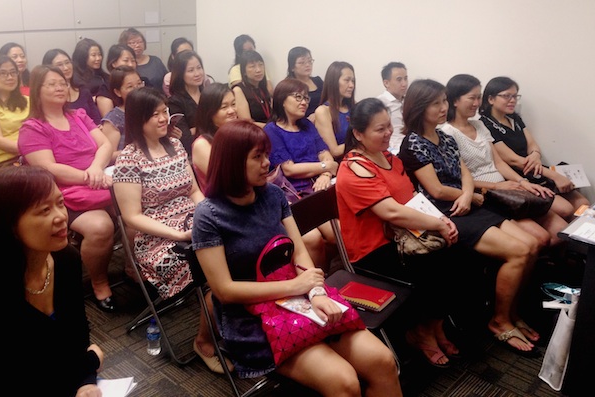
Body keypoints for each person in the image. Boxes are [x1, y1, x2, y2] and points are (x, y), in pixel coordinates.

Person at [191, 119, 402, 396]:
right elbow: (224, 291)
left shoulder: (273, 195)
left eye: (266, 154)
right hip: (254, 318)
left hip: (299, 299)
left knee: (383, 361)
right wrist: (296, 287)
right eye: (257, 157)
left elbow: (298, 249)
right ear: (231, 162)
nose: (268, 163)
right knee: (344, 382)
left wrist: (315, 292)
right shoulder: (209, 215)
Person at [397, 79, 542, 353]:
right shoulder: (412, 143)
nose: (443, 107)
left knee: (533, 245)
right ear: (419, 108)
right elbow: (436, 189)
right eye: (436, 103)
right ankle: (499, 321)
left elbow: (465, 173)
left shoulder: (445, 137)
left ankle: (510, 312)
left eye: (443, 101)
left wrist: (467, 194)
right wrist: (465, 196)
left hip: (467, 204)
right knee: (520, 251)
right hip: (446, 213)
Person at [0, 166, 104, 396]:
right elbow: (2, 382)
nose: (61, 217)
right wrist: (91, 361)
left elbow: (77, 334)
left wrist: (86, 380)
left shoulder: (66, 259)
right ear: (10, 225)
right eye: (44, 210)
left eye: (60, 203)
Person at [112, 86, 230, 374]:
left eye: (165, 111)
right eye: (156, 115)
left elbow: (193, 191)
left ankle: (233, 325)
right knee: (216, 274)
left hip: (192, 223)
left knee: (237, 250)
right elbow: (132, 217)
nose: (164, 118)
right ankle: (204, 341)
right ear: (138, 119)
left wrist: (209, 217)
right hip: (155, 240)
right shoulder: (128, 160)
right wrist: (177, 234)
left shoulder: (176, 146)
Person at [336, 97, 461, 367]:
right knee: (434, 266)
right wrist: (438, 224)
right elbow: (391, 211)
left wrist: (440, 218)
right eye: (379, 129)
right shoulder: (353, 169)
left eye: (388, 126)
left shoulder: (390, 158)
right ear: (358, 133)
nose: (388, 133)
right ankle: (421, 333)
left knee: (457, 254)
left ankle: (435, 326)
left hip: (404, 236)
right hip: (373, 250)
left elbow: (413, 199)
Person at [18, 65, 117, 313]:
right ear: (37, 90)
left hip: (98, 179)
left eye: (62, 83)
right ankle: (99, 282)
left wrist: (95, 168)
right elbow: (48, 168)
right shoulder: (32, 128)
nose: (60, 87)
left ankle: (132, 269)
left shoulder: (79, 116)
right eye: (51, 84)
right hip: (61, 194)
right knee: (100, 227)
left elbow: (105, 144)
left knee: (138, 208)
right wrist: (88, 176)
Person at [441, 74, 567, 249]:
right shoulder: (446, 133)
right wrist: (498, 186)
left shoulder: (479, 125)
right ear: (455, 100)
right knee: (541, 238)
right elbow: (459, 179)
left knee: (561, 230)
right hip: (487, 194)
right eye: (472, 98)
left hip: (508, 188)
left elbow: (499, 163)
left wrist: (523, 183)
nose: (477, 103)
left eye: (479, 97)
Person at [479, 76, 589, 220]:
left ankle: (583, 237)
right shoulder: (485, 124)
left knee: (583, 203)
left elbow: (532, 144)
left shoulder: (514, 118)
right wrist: (555, 176)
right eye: (507, 96)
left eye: (515, 96)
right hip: (518, 174)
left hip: (536, 169)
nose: (512, 100)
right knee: (565, 209)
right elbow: (512, 160)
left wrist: (535, 154)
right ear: (491, 99)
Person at [264, 78, 336, 272]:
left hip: (319, 187)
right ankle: (321, 280)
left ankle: (330, 273)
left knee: (335, 233)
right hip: (292, 195)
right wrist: (325, 167)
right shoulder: (271, 130)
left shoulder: (306, 125)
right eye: (297, 97)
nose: (304, 102)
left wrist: (326, 175)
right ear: (281, 100)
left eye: (305, 97)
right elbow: (289, 169)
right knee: (316, 238)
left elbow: (327, 155)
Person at [192, 82, 238, 192]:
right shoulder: (202, 144)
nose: (232, 111)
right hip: (221, 202)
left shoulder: (236, 135)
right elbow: (225, 180)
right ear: (209, 113)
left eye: (233, 104)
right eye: (224, 107)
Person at [42, 48, 102, 125]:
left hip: (92, 133)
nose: (66, 68)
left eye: (67, 62)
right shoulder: (51, 96)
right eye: (59, 65)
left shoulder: (83, 89)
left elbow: (97, 118)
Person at [167, 50, 206, 157]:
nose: (197, 73)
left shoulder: (208, 94)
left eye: (199, 68)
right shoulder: (175, 102)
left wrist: (194, 130)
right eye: (191, 70)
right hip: (194, 154)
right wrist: (210, 126)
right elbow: (185, 138)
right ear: (180, 74)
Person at [314, 61, 355, 161]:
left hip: (359, 157)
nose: (351, 85)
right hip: (341, 163)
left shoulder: (353, 106)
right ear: (334, 82)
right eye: (347, 80)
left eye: (353, 81)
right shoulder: (323, 111)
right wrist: (363, 142)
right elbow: (334, 151)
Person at [102, 66, 144, 163]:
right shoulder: (113, 119)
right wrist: (137, 149)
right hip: (127, 167)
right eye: (130, 86)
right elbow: (109, 156)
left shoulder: (149, 110)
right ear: (118, 92)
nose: (137, 89)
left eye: (139, 84)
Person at [72, 37, 113, 117]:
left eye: (99, 54)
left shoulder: (104, 76)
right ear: (83, 57)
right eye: (93, 55)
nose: (98, 58)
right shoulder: (76, 79)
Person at [232, 50, 272, 128]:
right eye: (252, 66)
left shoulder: (262, 87)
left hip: (269, 129)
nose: (258, 70)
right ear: (244, 72)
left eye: (261, 65)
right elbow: (246, 123)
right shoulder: (238, 90)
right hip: (254, 133)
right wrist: (272, 128)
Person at [377, 61, 408, 155]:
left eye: (405, 79)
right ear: (386, 83)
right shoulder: (380, 104)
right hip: (393, 150)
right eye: (399, 79)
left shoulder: (409, 101)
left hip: (411, 146)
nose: (404, 84)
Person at [286, 46, 323, 122]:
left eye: (309, 61)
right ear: (292, 67)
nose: (307, 65)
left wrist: (318, 114)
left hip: (322, 118)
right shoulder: (288, 87)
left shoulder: (318, 81)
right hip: (302, 122)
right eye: (302, 62)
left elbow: (331, 100)